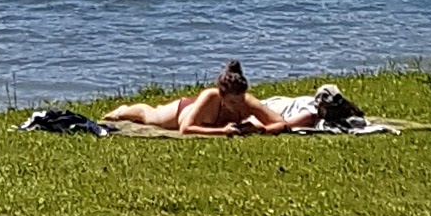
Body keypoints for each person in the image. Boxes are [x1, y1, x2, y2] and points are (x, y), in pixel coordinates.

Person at [100, 61, 308, 135]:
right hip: (181, 113)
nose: (237, 105)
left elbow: (280, 124)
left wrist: (259, 129)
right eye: (232, 101)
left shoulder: (247, 102)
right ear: (222, 96)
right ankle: (122, 110)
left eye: (240, 100)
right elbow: (186, 129)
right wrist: (221, 132)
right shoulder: (210, 96)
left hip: (206, 120)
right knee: (150, 116)